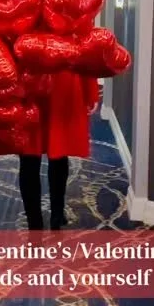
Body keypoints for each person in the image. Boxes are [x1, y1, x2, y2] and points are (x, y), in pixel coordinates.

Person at [18, 71, 100, 230]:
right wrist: (90, 90)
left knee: (32, 155)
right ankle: (55, 216)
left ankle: (37, 224)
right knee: (54, 151)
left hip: (33, 79)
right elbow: (87, 55)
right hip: (50, 81)